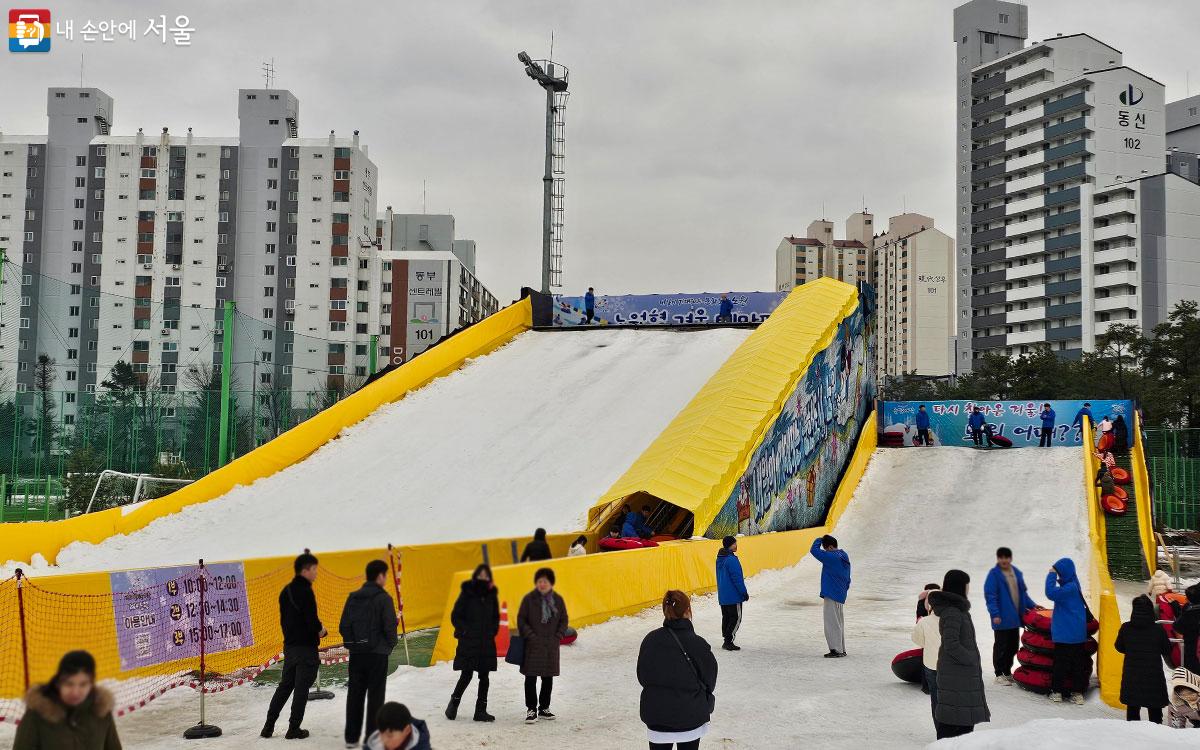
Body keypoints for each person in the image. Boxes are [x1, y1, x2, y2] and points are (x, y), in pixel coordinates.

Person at [637, 590, 718, 750]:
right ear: (688, 611)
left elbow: (642, 676)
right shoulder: (698, 644)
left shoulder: (650, 640)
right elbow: (709, 680)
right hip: (690, 717)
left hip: (657, 717)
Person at [263, 552, 326, 739]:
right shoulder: (306, 591)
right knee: (301, 689)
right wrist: (321, 630)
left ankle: (268, 726)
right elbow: (311, 621)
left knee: (285, 687)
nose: (316, 573)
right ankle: (293, 728)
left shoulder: (286, 591)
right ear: (305, 570)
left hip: (289, 647)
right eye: (314, 569)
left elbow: (286, 621)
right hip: (306, 648)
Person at [340, 559, 400, 747]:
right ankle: (371, 738)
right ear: (380, 576)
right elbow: (390, 626)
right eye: (386, 575)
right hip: (377, 655)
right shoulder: (384, 598)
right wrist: (390, 645)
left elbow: (343, 625)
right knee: (376, 696)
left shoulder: (353, 597)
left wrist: (354, 645)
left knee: (355, 694)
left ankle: (351, 738)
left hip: (357, 654)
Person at [12, 650, 121, 750]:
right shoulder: (37, 714)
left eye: (83, 684)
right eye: (69, 684)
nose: (75, 692)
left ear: (91, 683)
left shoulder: (101, 711)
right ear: (59, 682)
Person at [928, 569, 990, 739]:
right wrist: (970, 659)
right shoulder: (953, 612)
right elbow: (951, 644)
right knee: (955, 724)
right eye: (966, 584)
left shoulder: (957, 611)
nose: (968, 588)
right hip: (957, 675)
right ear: (959, 587)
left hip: (959, 675)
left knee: (960, 721)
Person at [446, 563, 499, 723]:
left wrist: (492, 631)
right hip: (469, 641)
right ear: (476, 576)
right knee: (466, 675)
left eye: (486, 576)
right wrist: (465, 631)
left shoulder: (491, 595)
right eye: (480, 575)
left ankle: (480, 711)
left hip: (486, 642)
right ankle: (453, 704)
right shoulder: (467, 593)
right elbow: (456, 616)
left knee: (485, 677)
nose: (483, 578)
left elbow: (495, 617)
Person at [517, 567, 568, 724]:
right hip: (533, 645)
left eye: (545, 581)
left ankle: (544, 708)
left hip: (550, 646)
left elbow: (563, 620)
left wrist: (557, 636)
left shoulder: (557, 600)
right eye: (540, 581)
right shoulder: (529, 599)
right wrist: (531, 636)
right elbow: (521, 620)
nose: (542, 584)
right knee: (530, 678)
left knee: (548, 678)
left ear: (550, 583)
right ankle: (531, 709)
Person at [983, 547, 1039, 685]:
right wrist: (994, 614)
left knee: (1013, 646)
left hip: (1015, 618)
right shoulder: (994, 575)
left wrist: (1033, 606)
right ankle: (998, 673)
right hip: (1001, 618)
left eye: (1006, 557)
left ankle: (1007, 672)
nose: (1004, 560)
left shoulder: (1017, 573)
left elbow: (1023, 595)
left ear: (1010, 558)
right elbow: (991, 596)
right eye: (1001, 557)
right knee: (1001, 646)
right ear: (998, 559)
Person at [1116, 595, 1173, 723]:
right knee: (1154, 709)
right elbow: (1167, 650)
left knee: (1132, 707)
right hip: (1153, 675)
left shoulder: (1126, 628)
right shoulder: (1158, 630)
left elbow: (1119, 647)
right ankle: (1155, 734)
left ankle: (1134, 735)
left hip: (1132, 674)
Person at [1045, 557, 1091, 704]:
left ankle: (1057, 692)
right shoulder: (1074, 584)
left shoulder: (1069, 588)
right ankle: (1077, 693)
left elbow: (1050, 593)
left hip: (1065, 636)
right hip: (1077, 635)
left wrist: (1051, 574)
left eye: (1059, 572)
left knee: (1060, 664)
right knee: (1077, 665)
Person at [810, 534, 851, 657]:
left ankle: (835, 649)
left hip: (831, 593)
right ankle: (841, 648)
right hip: (840, 593)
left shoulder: (831, 556)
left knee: (831, 622)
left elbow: (814, 550)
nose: (825, 550)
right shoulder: (843, 555)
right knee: (838, 622)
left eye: (826, 548)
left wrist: (819, 539)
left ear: (831, 547)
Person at [715, 536, 749, 651]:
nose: (736, 545)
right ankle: (728, 640)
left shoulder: (720, 558)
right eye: (735, 543)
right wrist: (743, 593)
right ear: (730, 545)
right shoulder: (731, 560)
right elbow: (737, 578)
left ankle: (726, 638)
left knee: (726, 617)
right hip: (733, 596)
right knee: (736, 617)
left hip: (723, 596)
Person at [912, 590, 941, 713]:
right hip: (949, 663)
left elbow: (918, 641)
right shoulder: (954, 620)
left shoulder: (923, 621)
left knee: (935, 697)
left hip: (930, 663)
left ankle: (939, 725)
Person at [1150, 570, 1184, 667]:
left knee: (1160, 604)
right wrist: (1170, 590)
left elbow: (1150, 585)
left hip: (1159, 596)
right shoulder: (1165, 576)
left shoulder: (1153, 577)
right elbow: (1169, 585)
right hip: (1165, 593)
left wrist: (1149, 591)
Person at [365, 702, 431, 750]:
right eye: (381, 734)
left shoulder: (421, 746)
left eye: (390, 736)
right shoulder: (372, 746)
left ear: (407, 730)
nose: (384, 740)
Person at [1172, 584, 1200, 676]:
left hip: (1193, 657)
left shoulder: (1190, 611)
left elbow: (1178, 626)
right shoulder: (1189, 609)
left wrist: (1175, 606)